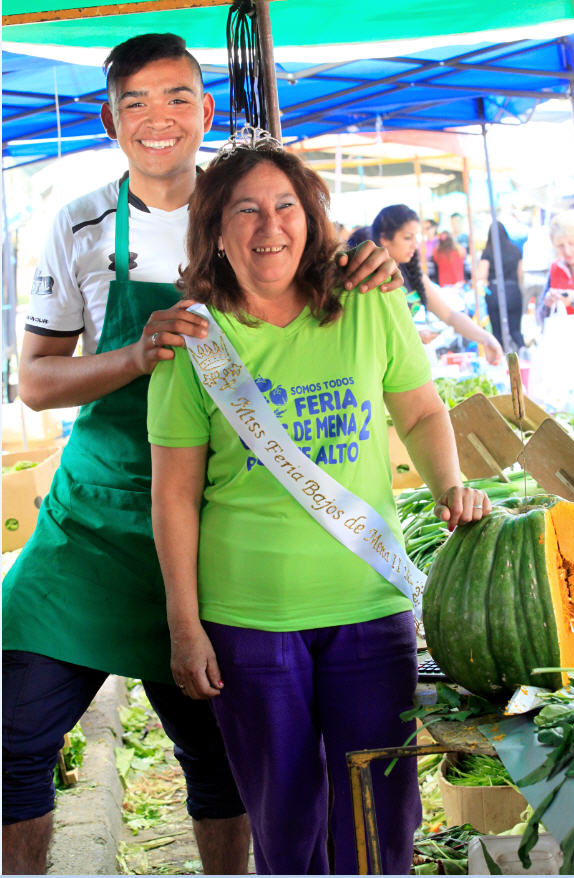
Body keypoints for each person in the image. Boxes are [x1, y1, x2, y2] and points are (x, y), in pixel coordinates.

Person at [2, 33, 400, 876]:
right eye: (137, 102)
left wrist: (369, 260)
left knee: (225, 759)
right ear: (108, 118)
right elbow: (33, 384)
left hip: (229, 532)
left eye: (178, 97)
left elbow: (331, 286)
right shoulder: (76, 224)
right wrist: (135, 355)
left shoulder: (251, 206)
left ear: (206, 110)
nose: (160, 118)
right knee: (15, 736)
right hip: (100, 525)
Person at [147, 132, 492, 875]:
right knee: (286, 818)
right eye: (245, 210)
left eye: (285, 206)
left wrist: (449, 484)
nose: (270, 226)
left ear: (312, 219)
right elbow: (173, 494)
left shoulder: (370, 302)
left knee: (380, 815)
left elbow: (424, 412)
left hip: (369, 606)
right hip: (249, 622)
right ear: (214, 229)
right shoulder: (193, 341)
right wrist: (184, 626)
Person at [372, 205, 503, 362]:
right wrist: (415, 335)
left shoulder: (411, 272)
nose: (414, 244)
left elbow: (450, 316)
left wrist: (486, 338)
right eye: (407, 238)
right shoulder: (371, 277)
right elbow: (373, 332)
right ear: (384, 239)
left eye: (416, 237)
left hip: (404, 362)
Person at [477, 221, 526, 351]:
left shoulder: (488, 252)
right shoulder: (515, 250)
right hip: (513, 290)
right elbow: (521, 274)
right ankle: (523, 352)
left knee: (497, 332)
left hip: (495, 292)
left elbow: (481, 275)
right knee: (515, 330)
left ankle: (501, 358)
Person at [538, 209, 574, 341]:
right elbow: (541, 316)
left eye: (572, 243)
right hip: (567, 348)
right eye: (560, 245)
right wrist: (548, 302)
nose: (567, 251)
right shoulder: (555, 268)